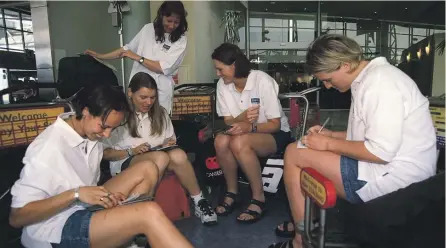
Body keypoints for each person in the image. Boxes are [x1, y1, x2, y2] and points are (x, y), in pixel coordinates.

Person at [269, 34, 437, 248]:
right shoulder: (372, 79)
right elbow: (372, 135)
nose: (327, 86)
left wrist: (328, 144)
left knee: (294, 153)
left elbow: (380, 152)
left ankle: (300, 241)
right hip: (394, 169)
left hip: (398, 182)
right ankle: (308, 224)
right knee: (304, 149)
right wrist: (330, 135)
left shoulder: (380, 85)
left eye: (328, 79)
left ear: (345, 65)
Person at [9, 85, 193, 248]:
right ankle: (132, 228)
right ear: (86, 112)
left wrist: (102, 196)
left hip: (82, 205)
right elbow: (17, 217)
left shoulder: (89, 134)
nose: (107, 135)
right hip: (54, 229)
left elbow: (85, 188)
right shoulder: (48, 148)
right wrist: (76, 194)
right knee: (148, 213)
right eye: (104, 127)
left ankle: (126, 234)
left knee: (148, 168)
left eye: (112, 129)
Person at [102, 72, 217, 226]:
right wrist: (132, 151)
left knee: (178, 155)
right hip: (124, 161)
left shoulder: (160, 113)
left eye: (152, 97)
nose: (148, 102)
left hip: (157, 157)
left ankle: (199, 201)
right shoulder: (118, 115)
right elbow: (105, 154)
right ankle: (142, 207)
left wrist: (165, 145)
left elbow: (170, 141)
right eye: (143, 97)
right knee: (160, 158)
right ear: (130, 93)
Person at [211, 43, 291, 224]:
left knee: (239, 143)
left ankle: (258, 198)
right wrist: (243, 118)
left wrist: (249, 127)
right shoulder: (223, 86)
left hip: (275, 134)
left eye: (220, 69)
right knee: (220, 141)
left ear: (234, 66)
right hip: (242, 132)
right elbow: (229, 121)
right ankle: (232, 191)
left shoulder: (261, 81)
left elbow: (275, 125)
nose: (217, 74)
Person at [85, 1, 187, 113]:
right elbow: (126, 50)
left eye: (176, 22)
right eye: (169, 21)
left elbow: (163, 68)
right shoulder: (148, 29)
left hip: (159, 92)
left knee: (158, 125)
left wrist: (138, 58)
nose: (172, 25)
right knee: (135, 123)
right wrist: (100, 56)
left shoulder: (181, 40)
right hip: (138, 88)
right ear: (162, 15)